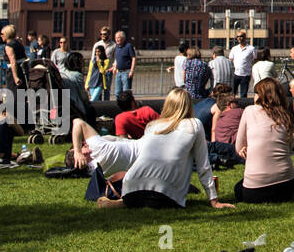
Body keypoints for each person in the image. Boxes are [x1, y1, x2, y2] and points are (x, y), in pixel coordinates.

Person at [96, 89, 234, 211]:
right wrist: (214, 200)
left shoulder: (152, 126)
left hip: (131, 189)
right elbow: (203, 166)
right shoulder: (194, 125)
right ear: (188, 106)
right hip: (165, 194)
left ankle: (123, 203)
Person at [232, 79, 294, 202]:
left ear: (260, 95)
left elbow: (238, 148)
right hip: (287, 183)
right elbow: (288, 148)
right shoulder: (284, 115)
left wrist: (249, 150)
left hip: (254, 190)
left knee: (238, 188)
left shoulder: (249, 111)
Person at [209, 86, 241, 166]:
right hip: (234, 149)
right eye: (236, 102)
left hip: (221, 150)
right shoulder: (238, 112)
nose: (238, 104)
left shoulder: (219, 119)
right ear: (229, 104)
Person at [229, 30, 256, 99]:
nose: (239, 38)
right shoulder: (234, 49)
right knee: (232, 94)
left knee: (243, 95)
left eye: (241, 36)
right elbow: (230, 59)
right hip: (236, 74)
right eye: (237, 36)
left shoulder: (251, 49)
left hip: (246, 75)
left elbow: (254, 59)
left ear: (245, 37)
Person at [1, 24, 27, 90]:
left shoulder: (9, 46)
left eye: (2, 34)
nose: (1, 36)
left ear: (7, 34)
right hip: (23, 71)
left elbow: (13, 62)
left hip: (14, 72)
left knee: (13, 97)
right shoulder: (19, 44)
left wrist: (15, 77)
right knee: (21, 96)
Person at [112, 30, 136, 96]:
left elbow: (133, 58)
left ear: (123, 38)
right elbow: (117, 58)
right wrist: (114, 67)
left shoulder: (129, 46)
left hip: (126, 72)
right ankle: (118, 105)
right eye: (116, 38)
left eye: (118, 37)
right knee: (117, 92)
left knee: (126, 93)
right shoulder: (116, 47)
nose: (117, 39)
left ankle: (127, 106)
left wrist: (131, 71)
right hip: (118, 72)